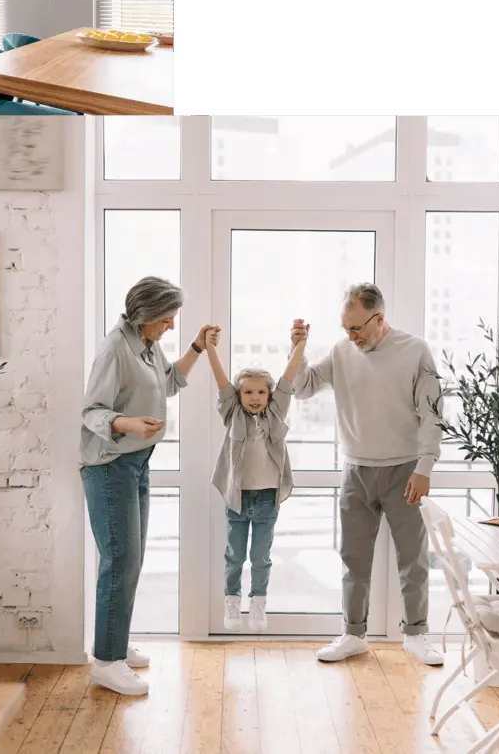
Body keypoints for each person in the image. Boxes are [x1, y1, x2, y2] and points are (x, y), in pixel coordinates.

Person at [290, 282, 444, 665]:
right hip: (356, 469)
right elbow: (302, 389)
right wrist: (297, 350)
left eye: (358, 327)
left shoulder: (415, 350)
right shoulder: (342, 351)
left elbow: (432, 413)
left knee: (413, 558)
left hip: (405, 469)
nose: (352, 335)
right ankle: (353, 634)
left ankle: (417, 634)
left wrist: (425, 467)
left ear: (379, 317)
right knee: (353, 559)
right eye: (346, 328)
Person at [80, 275, 216, 695]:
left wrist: (196, 347)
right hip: (109, 464)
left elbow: (169, 383)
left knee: (131, 559)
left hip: (137, 461)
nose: (170, 326)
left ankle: (114, 643)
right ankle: (106, 661)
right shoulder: (114, 349)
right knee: (118, 561)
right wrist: (129, 423)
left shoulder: (146, 344)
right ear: (147, 315)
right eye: (167, 319)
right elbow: (92, 411)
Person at [206, 326, 303, 633]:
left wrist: (298, 344)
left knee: (260, 556)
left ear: (270, 395)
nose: (255, 397)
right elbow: (221, 381)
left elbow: (288, 380)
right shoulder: (231, 412)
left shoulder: (276, 412)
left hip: (267, 496)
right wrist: (210, 348)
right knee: (234, 555)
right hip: (238, 496)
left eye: (262, 392)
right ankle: (232, 602)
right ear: (238, 395)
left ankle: (258, 603)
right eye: (248, 391)